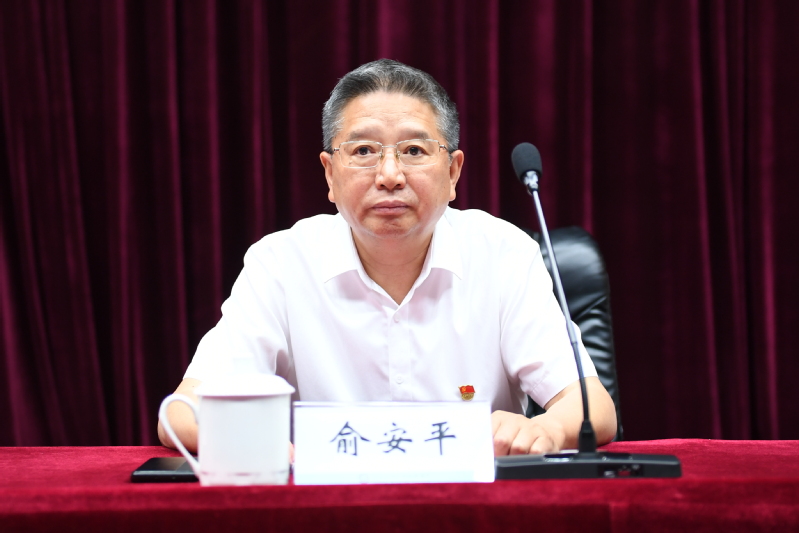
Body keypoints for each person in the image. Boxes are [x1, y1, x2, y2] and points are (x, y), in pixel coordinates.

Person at [158, 59, 617, 457]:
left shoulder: (503, 254)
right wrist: (254, 443)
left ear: (453, 172)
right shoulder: (280, 263)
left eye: (414, 151)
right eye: (363, 151)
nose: (390, 175)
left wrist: (545, 429)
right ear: (330, 174)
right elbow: (182, 412)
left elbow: (592, 407)